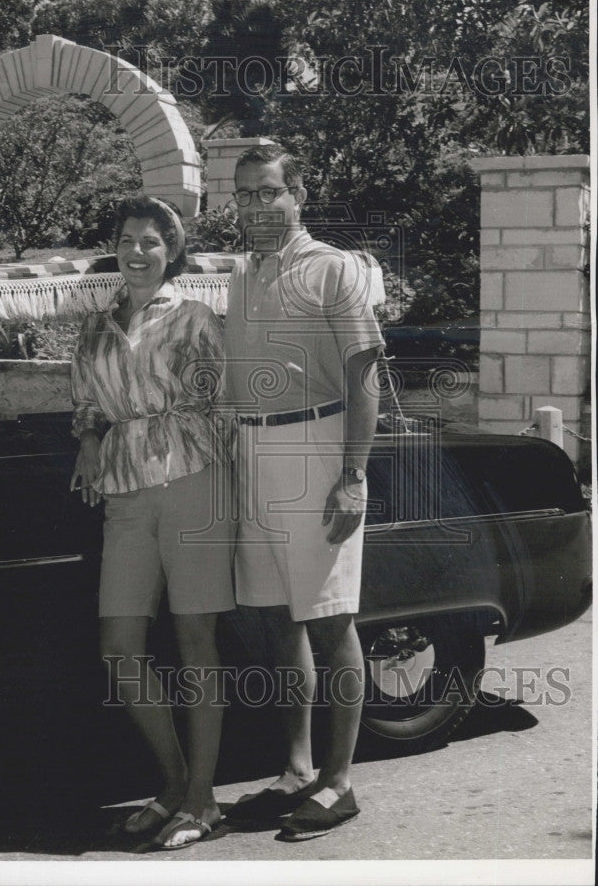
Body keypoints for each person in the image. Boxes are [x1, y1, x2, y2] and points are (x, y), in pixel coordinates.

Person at [223, 143, 384, 841]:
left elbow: (364, 382)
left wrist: (352, 477)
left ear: (298, 195)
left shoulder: (333, 269)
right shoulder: (241, 274)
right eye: (244, 195)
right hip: (252, 447)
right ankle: (294, 770)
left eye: (267, 193)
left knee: (327, 618)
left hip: (316, 448)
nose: (255, 207)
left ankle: (338, 783)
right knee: (276, 620)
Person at [69, 195, 234, 850]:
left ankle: (202, 801)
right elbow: (85, 403)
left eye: (150, 241)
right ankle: (172, 783)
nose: (136, 251)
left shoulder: (193, 317)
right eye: (126, 239)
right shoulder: (95, 327)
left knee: (195, 644)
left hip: (193, 481)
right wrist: (88, 442)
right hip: (125, 492)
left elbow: (222, 401)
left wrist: (224, 484)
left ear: (170, 252)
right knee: (119, 647)